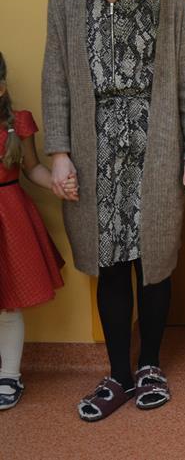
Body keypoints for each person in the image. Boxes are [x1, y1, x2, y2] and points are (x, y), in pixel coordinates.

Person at [42, 0, 185, 421]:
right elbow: (55, 82)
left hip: (156, 146)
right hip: (93, 150)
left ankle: (151, 365)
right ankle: (118, 374)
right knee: (109, 262)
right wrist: (60, 155)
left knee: (153, 260)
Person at [0, 52, 70, 410]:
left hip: (9, 220)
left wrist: (59, 185)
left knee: (8, 304)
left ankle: (9, 375)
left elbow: (33, 169)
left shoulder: (17, 124)